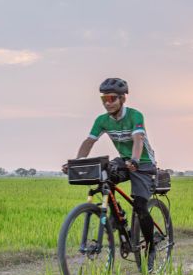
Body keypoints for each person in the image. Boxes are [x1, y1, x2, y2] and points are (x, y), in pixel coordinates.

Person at [64, 78, 158, 240]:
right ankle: (116, 215)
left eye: (112, 98)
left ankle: (150, 248)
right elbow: (89, 142)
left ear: (123, 98)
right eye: (104, 99)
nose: (107, 103)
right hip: (124, 160)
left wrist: (135, 160)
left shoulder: (135, 116)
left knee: (140, 207)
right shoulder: (102, 120)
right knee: (106, 171)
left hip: (143, 163)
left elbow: (138, 139)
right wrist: (77, 162)